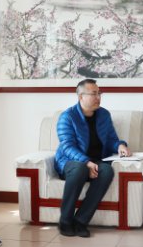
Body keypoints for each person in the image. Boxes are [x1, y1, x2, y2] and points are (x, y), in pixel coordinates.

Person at [55, 79, 130, 237]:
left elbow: (111, 139)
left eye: (99, 93)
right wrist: (86, 162)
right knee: (80, 169)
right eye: (94, 94)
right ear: (81, 96)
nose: (98, 97)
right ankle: (65, 221)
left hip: (95, 162)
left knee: (107, 171)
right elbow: (67, 147)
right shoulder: (67, 117)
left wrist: (120, 146)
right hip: (70, 162)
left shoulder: (104, 114)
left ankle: (80, 221)